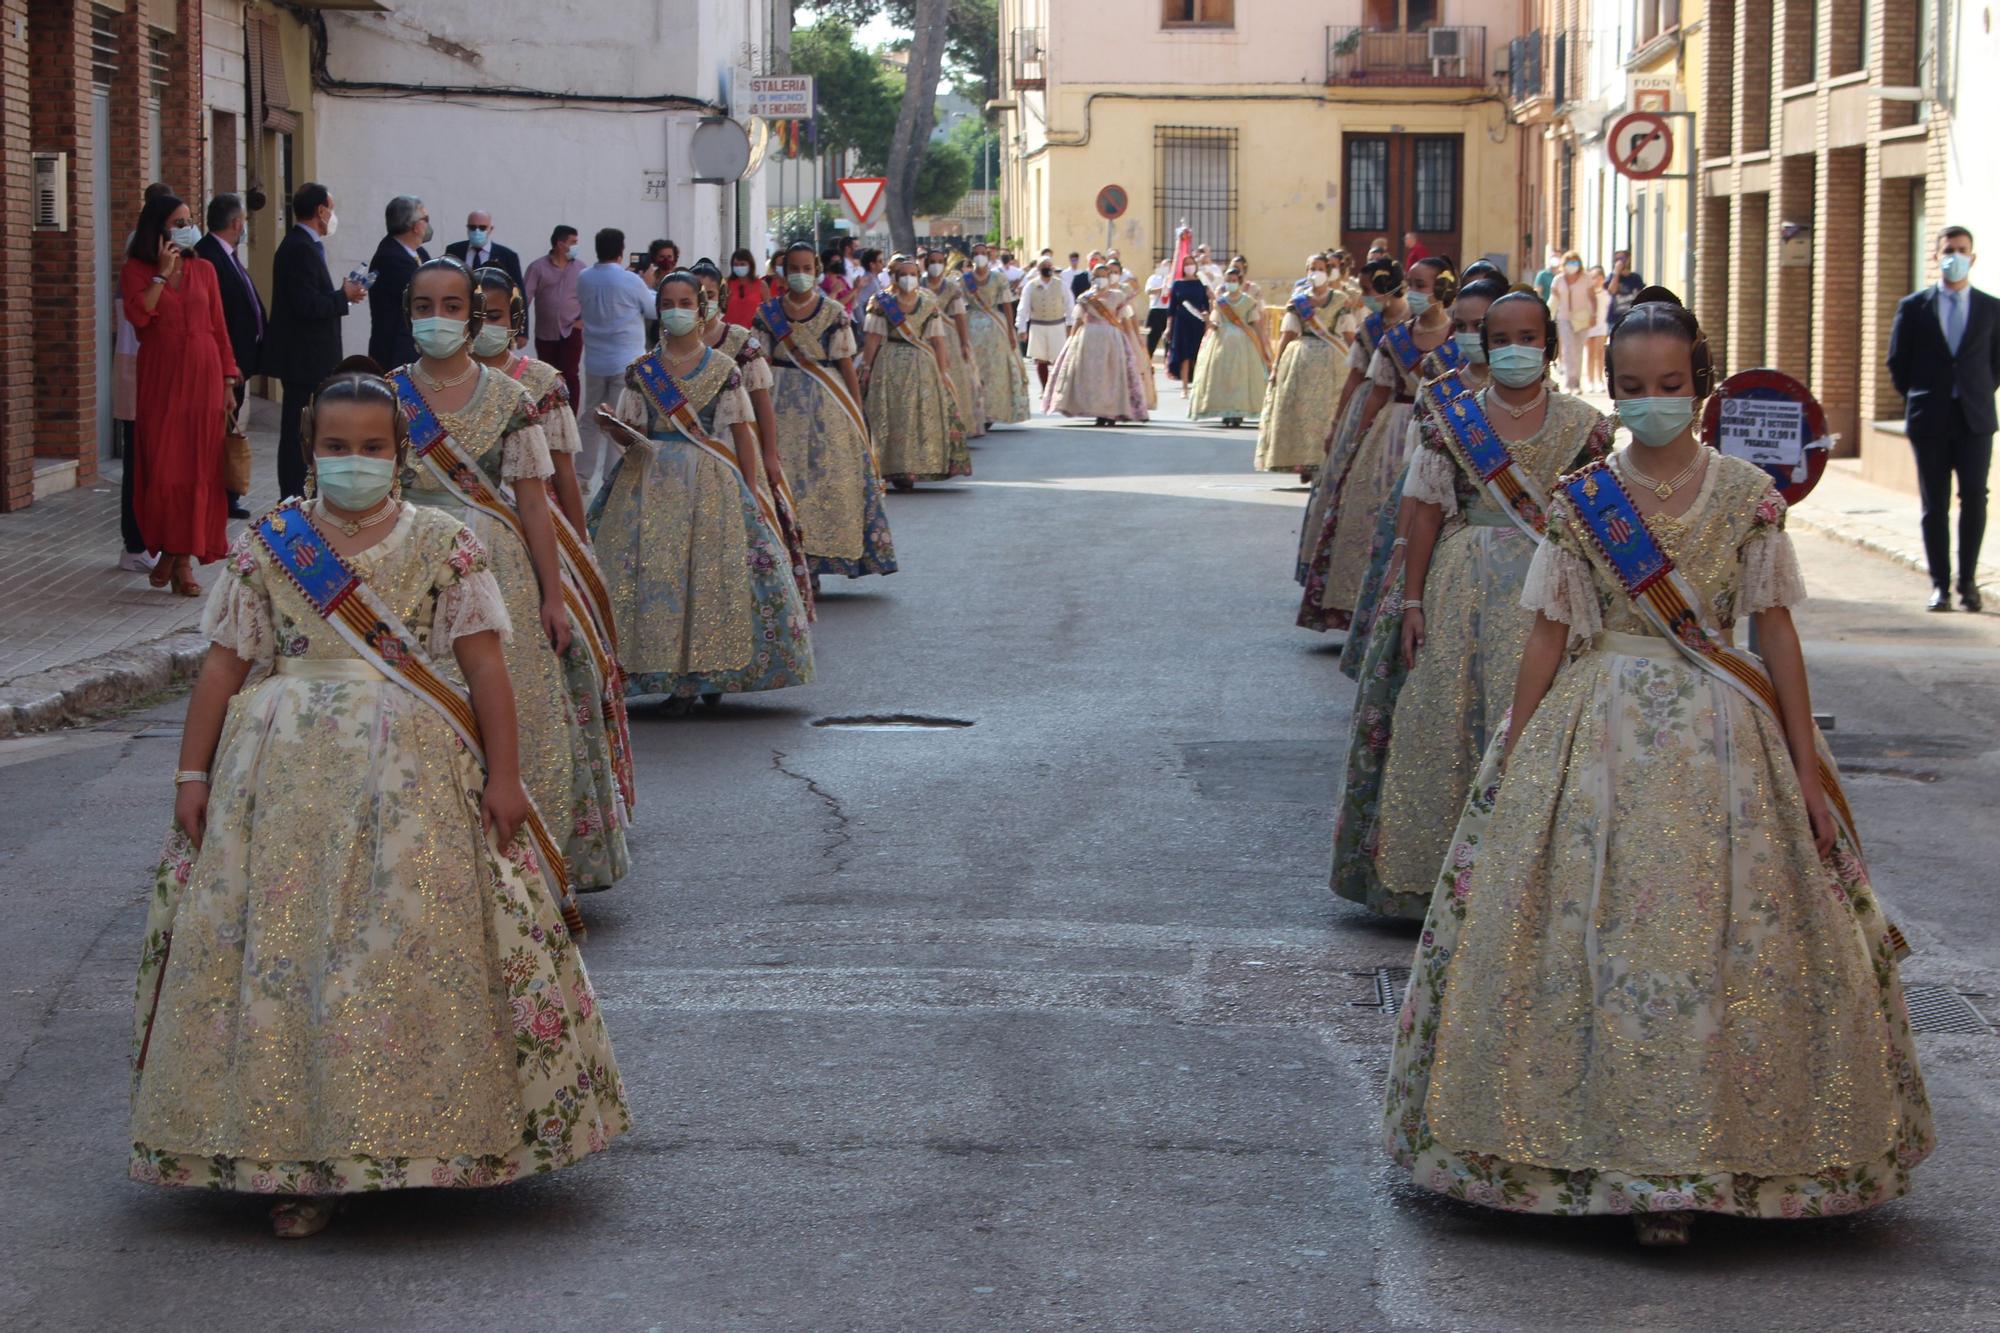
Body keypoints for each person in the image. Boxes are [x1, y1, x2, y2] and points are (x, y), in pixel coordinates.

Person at [1385, 290, 1933, 1245]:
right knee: (1596, 944)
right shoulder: (1584, 496)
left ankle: (1707, 1159)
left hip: (1729, 740)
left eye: (1669, 385)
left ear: (1701, 384)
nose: (1649, 402)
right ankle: (1606, 1155)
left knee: (1725, 942)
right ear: (1613, 385)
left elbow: (1778, 637)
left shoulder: (1747, 497)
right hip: (1593, 736)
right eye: (1631, 387)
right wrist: (1515, 749)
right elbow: (1550, 630)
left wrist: (1807, 772)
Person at [131, 359, 627, 1237]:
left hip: (414, 776)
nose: (351, 459)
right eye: (334, 446)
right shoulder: (273, 542)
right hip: (275, 782)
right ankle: (294, 1158)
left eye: (370, 446)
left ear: (399, 453)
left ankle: (415, 1135)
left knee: (399, 945)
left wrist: (506, 777)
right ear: (310, 450)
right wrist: (191, 774)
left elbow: (483, 669)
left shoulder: (444, 542)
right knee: (289, 954)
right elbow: (223, 668)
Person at [1355, 288, 1612, 919]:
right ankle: (1435, 877)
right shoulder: (1453, 419)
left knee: (1537, 722)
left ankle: (1529, 876)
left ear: (1549, 346)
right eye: (1501, 339)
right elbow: (1422, 511)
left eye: (1529, 338)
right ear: (1484, 347)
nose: (1515, 350)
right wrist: (1412, 601)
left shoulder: (1587, 426)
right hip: (1459, 585)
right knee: (1447, 715)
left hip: (1548, 593)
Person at [392, 257, 587, 929]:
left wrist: (553, 595)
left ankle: (522, 879)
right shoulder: (385, 395)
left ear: (473, 316)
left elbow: (534, 506)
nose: (437, 319)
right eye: (424, 305)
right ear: (407, 311)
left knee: (515, 717)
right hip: (405, 574)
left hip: (495, 569)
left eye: (452, 306)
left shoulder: (510, 399)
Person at [1327, 273, 1503, 912]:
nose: (1481, 339)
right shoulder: (1444, 396)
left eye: (1498, 329)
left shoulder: (1566, 420)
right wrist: (1407, 580)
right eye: (1472, 326)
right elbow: (1423, 505)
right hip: (1448, 571)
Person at [468, 266, 634, 893]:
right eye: (469, 312)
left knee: (556, 679)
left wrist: (577, 562)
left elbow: (561, 480)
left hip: (525, 542)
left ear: (514, 316)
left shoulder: (538, 384)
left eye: (490, 312)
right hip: (440, 553)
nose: (480, 324)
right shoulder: (416, 388)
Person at [587, 269, 816, 702]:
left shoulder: (725, 368)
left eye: (685, 303)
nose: (676, 311)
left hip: (710, 480)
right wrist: (609, 426)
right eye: (668, 304)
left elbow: (742, 433)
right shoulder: (641, 371)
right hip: (649, 483)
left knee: (709, 578)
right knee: (658, 578)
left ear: (702, 308)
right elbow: (632, 434)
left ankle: (711, 673)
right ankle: (667, 677)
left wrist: (750, 492)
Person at [1300, 257, 1448, 632]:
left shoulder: (1460, 337)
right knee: (1371, 513)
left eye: (1421, 284)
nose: (1414, 292)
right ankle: (1359, 606)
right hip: (1392, 431)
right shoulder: (1388, 337)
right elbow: (1371, 389)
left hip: (1443, 433)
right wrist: (1351, 438)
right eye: (1411, 283)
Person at [121, 192, 241, 599]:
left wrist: (228, 381)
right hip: (162, 379)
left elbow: (220, 328)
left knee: (200, 472)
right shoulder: (137, 270)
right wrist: (161, 273)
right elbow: (139, 316)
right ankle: (171, 550)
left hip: (205, 378)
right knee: (166, 472)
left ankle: (183, 560)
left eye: (189, 220)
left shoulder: (205, 269)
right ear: (157, 227)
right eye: (178, 221)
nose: (187, 228)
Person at [756, 243, 897, 582]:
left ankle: (820, 560)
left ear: (816, 270)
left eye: (806, 267)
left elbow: (846, 364)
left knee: (827, 480)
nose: (800, 274)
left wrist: (857, 412)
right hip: (780, 401)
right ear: (782, 271)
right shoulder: (767, 314)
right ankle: (789, 559)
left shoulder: (833, 311)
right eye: (794, 268)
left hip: (827, 404)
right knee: (785, 480)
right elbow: (760, 363)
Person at [690, 258, 813, 618]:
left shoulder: (742, 343)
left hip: (738, 450)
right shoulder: (667, 349)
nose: (700, 303)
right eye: (692, 296)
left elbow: (762, 404)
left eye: (708, 295)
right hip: (690, 455)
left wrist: (770, 455)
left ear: (720, 296)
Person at [1888, 225, 2000, 612]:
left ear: (1974, 256)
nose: (1955, 256)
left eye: (1962, 250)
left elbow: (1995, 363)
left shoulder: (1991, 308)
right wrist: (1924, 396)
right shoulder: (1914, 307)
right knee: (1934, 504)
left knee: (1975, 498)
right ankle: (1939, 586)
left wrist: (1976, 392)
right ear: (1936, 256)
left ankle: (1968, 584)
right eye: (1949, 250)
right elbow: (1898, 363)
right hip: (1930, 419)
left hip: (1975, 419)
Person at [1295, 258, 1405, 591]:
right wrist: (1337, 425)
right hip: (1368, 409)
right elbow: (1355, 376)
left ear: (1387, 287)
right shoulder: (1372, 325)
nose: (1363, 296)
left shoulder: (1418, 324)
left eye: (1368, 290)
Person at [265, 182, 365, 501]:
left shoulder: (307, 246)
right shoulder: (298, 247)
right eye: (331, 209)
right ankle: (294, 495)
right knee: (299, 431)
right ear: (320, 211)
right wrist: (342, 297)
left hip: (313, 360)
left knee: (310, 429)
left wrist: (341, 296)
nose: (332, 216)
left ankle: (307, 490)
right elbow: (307, 305)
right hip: (304, 360)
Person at [859, 253, 970, 489]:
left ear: (918, 277)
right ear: (895, 277)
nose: (908, 279)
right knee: (892, 413)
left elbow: (937, 340)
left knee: (917, 414)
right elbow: (873, 337)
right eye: (903, 275)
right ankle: (890, 467)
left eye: (912, 275)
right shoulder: (881, 302)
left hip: (922, 364)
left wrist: (943, 372)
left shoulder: (928, 303)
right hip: (889, 362)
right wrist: (867, 366)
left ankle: (913, 467)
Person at [195, 193, 266, 519]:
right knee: (222, 428)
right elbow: (216, 316)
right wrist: (229, 363)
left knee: (228, 426)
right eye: (244, 222)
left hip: (238, 361)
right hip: (226, 363)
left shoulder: (230, 256)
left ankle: (228, 494)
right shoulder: (208, 256)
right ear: (236, 222)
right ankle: (222, 495)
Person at [576, 227, 655, 496]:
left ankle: (581, 475)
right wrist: (647, 281)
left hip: (596, 359)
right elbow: (652, 309)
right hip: (625, 360)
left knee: (590, 418)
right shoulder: (631, 281)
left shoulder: (584, 278)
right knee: (619, 420)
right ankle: (612, 475)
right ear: (621, 251)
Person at [1256, 253, 1346, 477]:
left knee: (1327, 412)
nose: (1314, 272)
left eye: (1319, 268)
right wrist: (1276, 366)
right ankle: (1304, 462)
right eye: (1310, 268)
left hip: (1332, 363)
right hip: (1300, 361)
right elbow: (1288, 334)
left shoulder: (1340, 300)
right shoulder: (1298, 301)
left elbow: (1348, 333)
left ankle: (1323, 460)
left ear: (1328, 271)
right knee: (1302, 412)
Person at [1045, 261, 1149, 425]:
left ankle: (1111, 412)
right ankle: (1097, 410)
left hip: (1112, 339)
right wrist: (1071, 340)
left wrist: (1132, 339)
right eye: (1098, 276)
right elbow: (1079, 320)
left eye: (1104, 276)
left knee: (1112, 376)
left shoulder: (1118, 296)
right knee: (1091, 376)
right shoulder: (1085, 298)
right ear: (1092, 278)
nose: (1101, 279)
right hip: (1088, 339)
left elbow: (1125, 319)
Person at [1189, 262, 1270, 428]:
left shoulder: (1249, 301)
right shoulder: (1220, 302)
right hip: (1222, 342)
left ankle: (1238, 411)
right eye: (1228, 279)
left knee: (1241, 376)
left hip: (1245, 342)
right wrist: (1206, 320)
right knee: (1223, 376)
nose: (1231, 282)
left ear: (1239, 281)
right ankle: (1226, 411)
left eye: (1234, 279)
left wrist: (1262, 345)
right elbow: (1214, 324)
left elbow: (1255, 324)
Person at [963, 242, 1031, 427]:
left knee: (995, 370)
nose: (980, 256)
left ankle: (993, 411)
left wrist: (1011, 330)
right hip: (971, 326)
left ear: (989, 255)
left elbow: (1007, 304)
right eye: (976, 253)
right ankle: (977, 411)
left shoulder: (998, 278)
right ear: (971, 256)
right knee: (975, 370)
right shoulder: (965, 279)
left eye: (983, 253)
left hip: (996, 327)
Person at [922, 248, 984, 438]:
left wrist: (964, 342)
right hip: (923, 336)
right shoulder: (918, 285)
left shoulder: (951, 288)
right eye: (933, 261)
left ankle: (957, 426)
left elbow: (959, 316)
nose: (936, 265)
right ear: (926, 263)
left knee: (955, 379)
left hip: (948, 336)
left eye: (940, 261)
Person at [366, 195, 432, 369]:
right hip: (396, 351)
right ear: (415, 226)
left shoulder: (420, 253)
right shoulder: (389, 257)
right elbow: (423, 294)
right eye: (426, 219)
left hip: (417, 347)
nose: (428, 225)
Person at [523, 225, 584, 407]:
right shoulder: (537, 267)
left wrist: (582, 321)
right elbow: (524, 299)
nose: (576, 246)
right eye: (573, 242)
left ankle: (571, 417)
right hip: (545, 333)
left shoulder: (581, 269)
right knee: (547, 376)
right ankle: (549, 416)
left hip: (571, 330)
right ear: (560, 244)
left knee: (571, 375)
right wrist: (520, 330)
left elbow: (590, 298)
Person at [1018, 257, 1073, 389]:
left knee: (1059, 359)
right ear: (1038, 269)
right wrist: (1022, 328)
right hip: (1038, 326)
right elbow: (1023, 308)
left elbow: (1070, 305)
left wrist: (1070, 325)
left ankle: (1057, 388)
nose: (1047, 268)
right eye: (1044, 266)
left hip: (1057, 325)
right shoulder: (1030, 286)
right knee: (1041, 359)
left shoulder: (1061, 284)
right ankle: (1045, 388)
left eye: (1049, 265)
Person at [444, 210, 524, 293]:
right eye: (473, 227)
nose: (477, 231)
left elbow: (518, 292)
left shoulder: (508, 256)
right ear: (467, 228)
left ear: (491, 229)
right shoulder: (454, 251)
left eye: (482, 228)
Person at [1164, 254, 1210, 395]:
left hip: (1197, 323)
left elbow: (1205, 306)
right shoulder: (1177, 284)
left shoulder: (1201, 284)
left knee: (1197, 355)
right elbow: (1172, 308)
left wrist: (1207, 321)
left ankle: (1197, 387)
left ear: (1196, 266)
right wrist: (1168, 327)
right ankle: (1184, 388)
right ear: (1183, 267)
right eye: (1186, 264)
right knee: (1184, 355)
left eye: (1192, 263)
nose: (1189, 266)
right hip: (1181, 323)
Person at [1549, 250, 1591, 391]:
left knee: (1578, 350)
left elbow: (1592, 298)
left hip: (1581, 319)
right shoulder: (1558, 280)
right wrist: (1548, 314)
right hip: (1564, 318)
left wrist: (1594, 315)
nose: (1572, 265)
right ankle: (1568, 381)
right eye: (1569, 262)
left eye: (1575, 262)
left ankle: (1576, 382)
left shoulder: (1586, 279)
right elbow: (1553, 300)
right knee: (1567, 349)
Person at [723, 247, 770, 328]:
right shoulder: (726, 284)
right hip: (729, 333)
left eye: (742, 264)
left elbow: (769, 310)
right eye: (736, 265)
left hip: (754, 333)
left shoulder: (761, 285)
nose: (739, 267)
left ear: (750, 265)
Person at [1584, 265, 1611, 391]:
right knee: (1590, 354)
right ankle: (1590, 380)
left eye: (1599, 277)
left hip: (1601, 326)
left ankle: (1599, 379)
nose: (1596, 280)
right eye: (1593, 277)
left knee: (1600, 353)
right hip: (1588, 327)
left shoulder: (1606, 294)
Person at [1606, 249, 1644, 330]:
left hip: (1633, 318)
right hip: (1615, 319)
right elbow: (1612, 291)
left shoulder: (1635, 277)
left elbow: (1640, 296)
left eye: (1622, 259)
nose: (1619, 262)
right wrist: (1616, 273)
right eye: (1617, 260)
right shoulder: (1611, 277)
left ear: (1628, 260)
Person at [817, 244, 853, 309]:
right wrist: (855, 289)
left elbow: (852, 303)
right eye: (834, 262)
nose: (838, 264)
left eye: (839, 261)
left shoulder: (841, 279)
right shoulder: (823, 281)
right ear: (826, 264)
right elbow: (834, 305)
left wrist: (858, 288)